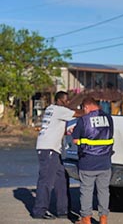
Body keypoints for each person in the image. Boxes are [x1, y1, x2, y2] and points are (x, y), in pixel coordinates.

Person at [32, 91, 83, 220]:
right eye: (66, 101)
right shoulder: (60, 110)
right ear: (60, 100)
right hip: (48, 149)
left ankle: (63, 210)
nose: (68, 103)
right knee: (46, 180)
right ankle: (40, 211)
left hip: (50, 149)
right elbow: (79, 114)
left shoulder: (51, 108)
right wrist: (91, 111)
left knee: (61, 178)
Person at [71, 97, 114, 224]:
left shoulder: (84, 120)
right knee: (104, 191)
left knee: (86, 190)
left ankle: (86, 219)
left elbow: (75, 140)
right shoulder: (108, 118)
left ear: (86, 107)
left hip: (88, 161)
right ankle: (103, 219)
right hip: (105, 161)